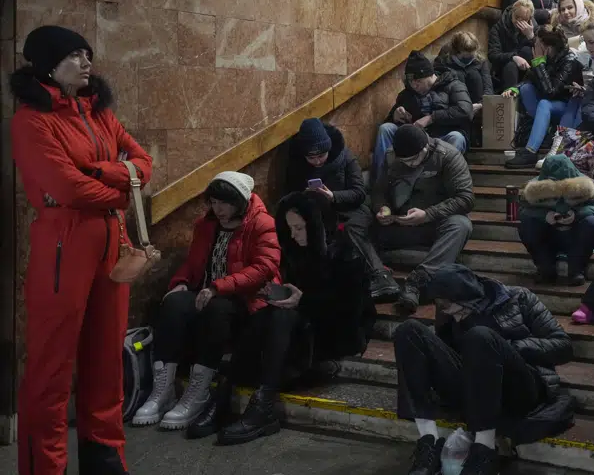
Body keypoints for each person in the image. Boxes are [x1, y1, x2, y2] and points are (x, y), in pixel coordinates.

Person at [10, 25, 153, 475]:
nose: (87, 62)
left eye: (87, 54)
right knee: (51, 370)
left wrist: (99, 169)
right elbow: (67, 189)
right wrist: (120, 186)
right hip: (62, 246)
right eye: (76, 55)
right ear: (49, 67)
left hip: (112, 242)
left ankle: (105, 459)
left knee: (106, 359)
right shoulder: (31, 121)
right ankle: (44, 468)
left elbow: (143, 165)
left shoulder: (100, 114)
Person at [218, 190, 376, 445]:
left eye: (300, 228)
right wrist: (276, 291)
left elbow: (351, 310)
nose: (294, 234)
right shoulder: (298, 250)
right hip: (304, 323)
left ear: (318, 225)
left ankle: (264, 405)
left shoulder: (347, 253)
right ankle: (224, 394)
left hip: (335, 332)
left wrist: (304, 301)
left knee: (281, 318)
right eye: (290, 228)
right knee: (265, 315)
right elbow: (297, 290)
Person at [133, 171, 280, 430]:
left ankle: (198, 394)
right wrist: (179, 283)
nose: (218, 208)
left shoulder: (261, 222)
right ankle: (163, 392)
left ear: (240, 201)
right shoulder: (206, 225)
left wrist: (217, 287)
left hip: (244, 299)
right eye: (213, 202)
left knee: (217, 308)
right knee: (173, 304)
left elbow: (265, 267)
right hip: (206, 293)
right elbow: (193, 264)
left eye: (224, 202)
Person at [395, 264, 573, 475]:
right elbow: (446, 358)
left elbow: (563, 346)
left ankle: (484, 449)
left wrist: (513, 347)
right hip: (476, 387)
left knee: (480, 336)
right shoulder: (450, 314)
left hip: (522, 385)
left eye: (450, 307)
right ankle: (429, 442)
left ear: (465, 298)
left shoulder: (518, 297)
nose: (446, 312)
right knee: (408, 331)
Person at [285, 118, 398, 302]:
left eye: (321, 156)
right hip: (319, 213)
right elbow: (289, 195)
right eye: (311, 158)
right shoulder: (296, 165)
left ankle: (381, 277)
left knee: (350, 228)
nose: (317, 161)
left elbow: (359, 193)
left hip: (352, 210)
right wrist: (304, 197)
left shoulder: (345, 157)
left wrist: (334, 196)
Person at [372, 125, 474, 315]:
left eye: (413, 159)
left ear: (425, 148)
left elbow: (465, 199)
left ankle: (418, 281)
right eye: (405, 160)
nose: (409, 164)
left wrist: (428, 214)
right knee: (358, 222)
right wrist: (382, 208)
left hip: (433, 225)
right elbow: (379, 191)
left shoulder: (448, 156)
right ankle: (379, 275)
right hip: (399, 223)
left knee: (461, 225)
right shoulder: (391, 156)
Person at [374, 51, 472, 178]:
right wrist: (395, 117)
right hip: (414, 139)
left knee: (457, 137)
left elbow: (465, 111)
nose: (415, 86)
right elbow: (391, 120)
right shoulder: (407, 93)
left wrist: (432, 118)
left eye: (418, 81)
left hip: (442, 137)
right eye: (412, 83)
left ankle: (440, 182)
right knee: (386, 128)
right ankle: (380, 181)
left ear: (429, 76)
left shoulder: (454, 85)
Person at [518, 155, 594, 285]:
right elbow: (522, 211)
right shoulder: (534, 188)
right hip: (548, 234)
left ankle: (576, 271)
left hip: (575, 235)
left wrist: (577, 214)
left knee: (592, 222)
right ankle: (545, 269)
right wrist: (545, 216)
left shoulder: (586, 185)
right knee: (527, 224)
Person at [504, 28, 585, 168]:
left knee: (544, 103)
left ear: (547, 48)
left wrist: (539, 64)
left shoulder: (569, 61)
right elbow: (529, 79)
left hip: (567, 107)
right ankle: (542, 132)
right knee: (525, 89)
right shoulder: (546, 59)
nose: (534, 48)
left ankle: (531, 151)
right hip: (548, 106)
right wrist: (515, 88)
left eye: (537, 45)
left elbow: (551, 91)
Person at [488, 0, 537, 91]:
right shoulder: (498, 28)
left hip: (526, 68)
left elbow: (542, 52)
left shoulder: (534, 28)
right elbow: (493, 54)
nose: (518, 21)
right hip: (505, 69)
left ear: (530, 19)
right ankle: (510, 98)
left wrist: (531, 37)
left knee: (527, 50)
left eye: (524, 19)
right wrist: (513, 57)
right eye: (516, 17)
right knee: (511, 65)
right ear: (512, 12)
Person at [434, 31, 494, 107]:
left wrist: (481, 104)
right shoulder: (444, 60)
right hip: (455, 105)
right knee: (456, 75)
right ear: (457, 52)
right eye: (467, 55)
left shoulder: (480, 60)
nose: (471, 57)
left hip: (478, 105)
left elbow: (488, 86)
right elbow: (437, 85)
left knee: (474, 75)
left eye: (472, 54)